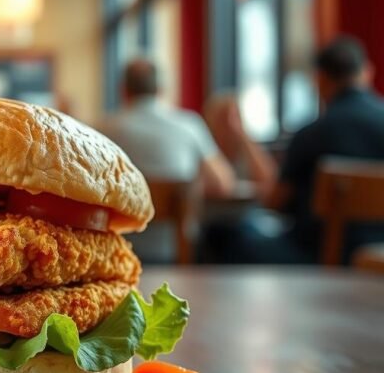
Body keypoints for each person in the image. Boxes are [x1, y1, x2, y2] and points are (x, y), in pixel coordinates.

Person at [249, 36, 384, 263]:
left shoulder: (312, 134)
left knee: (236, 236)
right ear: (367, 72)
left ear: (319, 79)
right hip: (378, 255)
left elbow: (274, 201)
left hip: (315, 256)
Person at [99, 59, 236, 263]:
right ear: (161, 90)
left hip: (115, 253)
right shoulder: (189, 125)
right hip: (176, 251)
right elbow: (223, 184)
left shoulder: (101, 130)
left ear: (124, 90)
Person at [204, 94, 279, 198]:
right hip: (214, 208)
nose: (229, 124)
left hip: (248, 208)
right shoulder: (205, 150)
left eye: (234, 117)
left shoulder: (247, 147)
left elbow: (269, 180)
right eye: (222, 118)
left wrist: (243, 135)